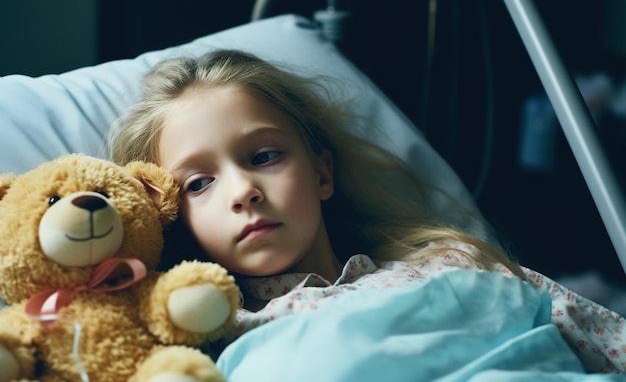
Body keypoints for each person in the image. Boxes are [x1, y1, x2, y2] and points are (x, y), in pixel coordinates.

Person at [107, 49, 625, 372]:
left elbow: (605, 341)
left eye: (264, 156)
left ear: (322, 173)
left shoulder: (448, 263)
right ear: (173, 217)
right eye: (199, 183)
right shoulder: (210, 341)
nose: (243, 190)